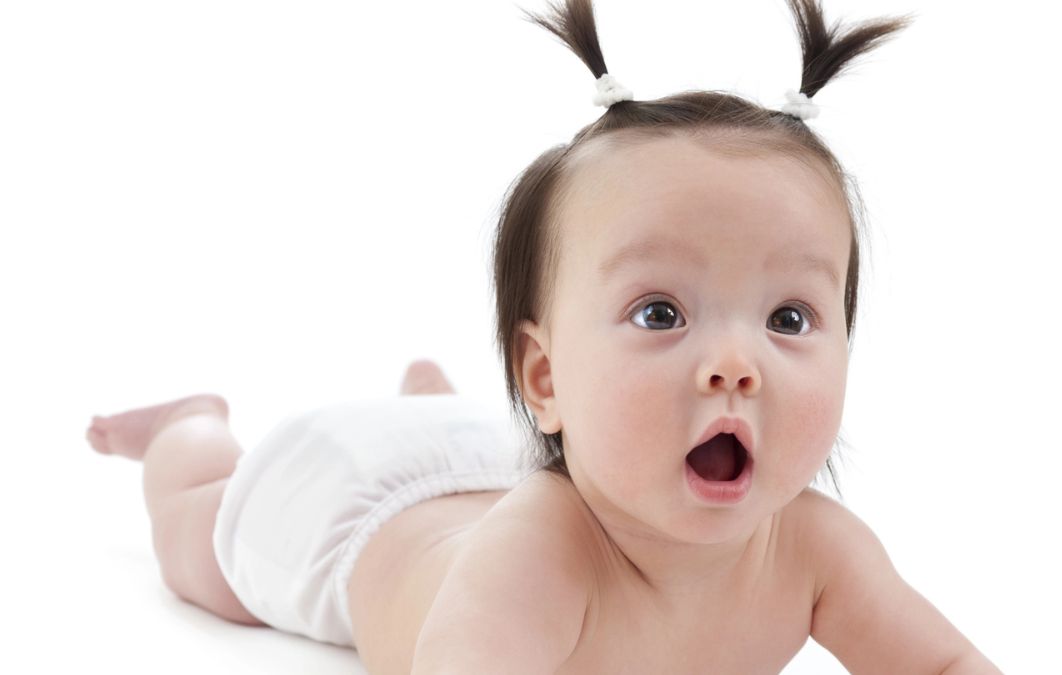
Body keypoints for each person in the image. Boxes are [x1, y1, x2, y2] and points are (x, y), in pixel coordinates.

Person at [86, 0, 1004, 672]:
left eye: (790, 318)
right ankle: (188, 433)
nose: (735, 364)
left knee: (467, 439)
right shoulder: (541, 549)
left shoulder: (817, 549)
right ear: (545, 372)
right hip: (352, 507)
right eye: (661, 313)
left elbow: (945, 665)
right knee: (197, 548)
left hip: (490, 446)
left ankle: (430, 394)